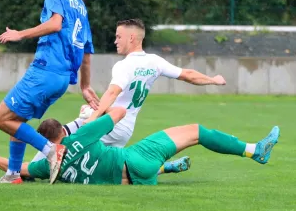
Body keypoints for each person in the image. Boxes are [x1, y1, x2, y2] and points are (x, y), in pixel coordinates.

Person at [30, 18, 227, 176]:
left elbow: (113, 92)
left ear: (131, 38)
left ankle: (25, 170)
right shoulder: (154, 61)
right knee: (112, 168)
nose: (115, 41)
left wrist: (92, 117)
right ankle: (165, 168)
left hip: (113, 124)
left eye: (118, 37)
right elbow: (188, 75)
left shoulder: (124, 66)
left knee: (60, 143)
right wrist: (213, 79)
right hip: (126, 129)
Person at [0, 0, 97, 184]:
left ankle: (51, 151)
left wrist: (20, 34)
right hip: (62, 79)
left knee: (0, 118)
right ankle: (13, 174)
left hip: (45, 71)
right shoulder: (82, 7)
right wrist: (85, 86)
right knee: (16, 120)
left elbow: (55, 24)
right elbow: (87, 52)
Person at [0, 108, 280, 186]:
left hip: (134, 181)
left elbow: (19, 171)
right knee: (196, 131)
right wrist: (89, 116)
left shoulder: (44, 165)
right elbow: (117, 114)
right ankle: (255, 150)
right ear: (63, 133)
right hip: (137, 158)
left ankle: (167, 169)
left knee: (112, 164)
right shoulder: (78, 137)